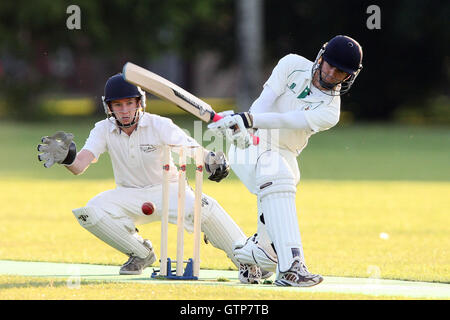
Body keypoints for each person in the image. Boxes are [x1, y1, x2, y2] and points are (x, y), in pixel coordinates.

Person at [37, 73, 269, 282]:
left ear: (140, 103)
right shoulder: (102, 129)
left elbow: (190, 149)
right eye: (118, 105)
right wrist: (67, 158)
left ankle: (249, 259)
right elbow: (79, 166)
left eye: (129, 103)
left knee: (205, 207)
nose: (125, 110)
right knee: (90, 211)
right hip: (129, 195)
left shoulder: (159, 124)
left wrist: (212, 160)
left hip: (169, 190)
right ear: (109, 107)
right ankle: (141, 253)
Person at [208, 35, 363, 287]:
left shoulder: (330, 110)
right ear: (321, 58)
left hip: (285, 155)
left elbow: (289, 120)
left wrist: (248, 120)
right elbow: (265, 101)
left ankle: (247, 255)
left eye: (341, 72)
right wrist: (247, 126)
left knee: (269, 252)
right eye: (330, 65)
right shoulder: (291, 64)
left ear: (349, 77)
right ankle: (292, 269)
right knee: (276, 171)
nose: (332, 73)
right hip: (252, 147)